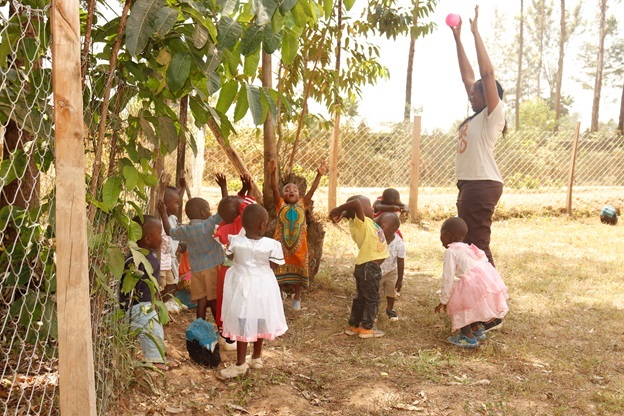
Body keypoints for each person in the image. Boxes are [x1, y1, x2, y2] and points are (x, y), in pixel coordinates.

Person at [450, 6, 507, 268]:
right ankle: (482, 292)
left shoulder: (492, 116)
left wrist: (475, 33)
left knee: (477, 242)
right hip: (471, 184)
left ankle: (494, 300)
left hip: (481, 184)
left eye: (475, 92)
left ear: (487, 95)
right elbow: (467, 77)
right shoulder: (477, 116)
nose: (470, 94)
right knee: (471, 240)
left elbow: (486, 75)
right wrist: (457, 38)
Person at [220, 204, 288, 378]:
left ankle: (241, 363)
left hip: (242, 286)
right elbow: (273, 265)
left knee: (242, 320)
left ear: (243, 224)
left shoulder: (235, 241)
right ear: (263, 225)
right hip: (263, 286)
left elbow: (229, 256)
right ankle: (256, 357)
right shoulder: (271, 245)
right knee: (260, 318)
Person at [434, 217, 510, 348]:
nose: (440, 238)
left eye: (441, 235)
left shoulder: (451, 251)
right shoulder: (469, 248)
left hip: (472, 283)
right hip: (486, 280)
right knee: (474, 306)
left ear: (447, 235)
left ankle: (468, 338)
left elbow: (448, 278)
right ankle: (476, 330)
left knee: (461, 306)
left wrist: (444, 300)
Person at [119, 215, 179, 371]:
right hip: (138, 305)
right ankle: (153, 359)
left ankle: (158, 357)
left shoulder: (149, 252)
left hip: (147, 302)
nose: (162, 238)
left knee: (155, 330)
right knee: (151, 331)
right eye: (159, 234)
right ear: (147, 238)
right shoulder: (135, 259)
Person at [269, 159, 327, 311]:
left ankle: (297, 297)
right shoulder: (280, 204)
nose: (291, 191)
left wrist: (319, 175)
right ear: (283, 195)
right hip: (281, 248)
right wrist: (272, 173)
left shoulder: (303, 203)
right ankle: (280, 295)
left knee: (299, 273)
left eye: (294, 189)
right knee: (279, 272)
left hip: (299, 249)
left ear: (299, 194)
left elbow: (312, 190)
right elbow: (274, 189)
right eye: (287, 190)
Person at [329, 196, 388, 338]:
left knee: (361, 297)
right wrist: (339, 209)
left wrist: (342, 214)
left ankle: (354, 326)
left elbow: (353, 209)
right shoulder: (361, 222)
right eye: (367, 204)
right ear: (358, 210)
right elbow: (355, 204)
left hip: (364, 266)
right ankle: (367, 328)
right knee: (372, 298)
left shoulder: (361, 222)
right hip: (370, 267)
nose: (372, 207)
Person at [214, 173, 256, 351]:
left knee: (224, 301)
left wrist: (242, 190)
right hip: (238, 271)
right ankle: (233, 337)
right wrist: (249, 191)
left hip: (225, 270)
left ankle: (224, 333)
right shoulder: (240, 225)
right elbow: (247, 207)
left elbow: (232, 208)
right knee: (238, 301)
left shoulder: (224, 228)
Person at [170, 198, 223, 322]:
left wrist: (162, 213)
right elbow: (223, 211)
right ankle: (221, 330)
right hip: (212, 268)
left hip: (196, 270)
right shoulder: (208, 224)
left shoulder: (185, 229)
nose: (210, 212)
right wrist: (223, 187)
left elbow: (170, 232)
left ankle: (200, 327)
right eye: (209, 210)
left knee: (201, 300)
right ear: (203, 212)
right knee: (213, 300)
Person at [157, 178, 187, 304]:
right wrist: (163, 212)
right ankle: (160, 306)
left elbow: (175, 199)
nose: (178, 207)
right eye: (176, 204)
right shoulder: (163, 219)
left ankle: (164, 305)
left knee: (172, 283)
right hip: (164, 259)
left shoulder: (172, 217)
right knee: (162, 285)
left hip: (171, 258)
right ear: (166, 205)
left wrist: (183, 188)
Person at [375, 213, 405, 321]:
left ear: (393, 229)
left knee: (391, 291)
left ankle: (390, 309)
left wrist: (400, 279)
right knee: (374, 292)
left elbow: (401, 262)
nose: (379, 228)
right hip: (376, 271)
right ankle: (373, 311)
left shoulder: (399, 243)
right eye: (379, 226)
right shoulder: (377, 237)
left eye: (382, 226)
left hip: (391, 271)